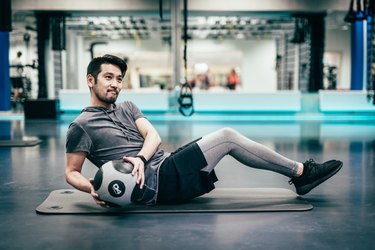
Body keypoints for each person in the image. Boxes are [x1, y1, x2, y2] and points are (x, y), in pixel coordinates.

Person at [65, 55, 343, 207]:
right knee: (226, 137)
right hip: (154, 185)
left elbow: (154, 137)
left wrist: (140, 158)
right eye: (108, 77)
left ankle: (301, 175)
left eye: (119, 79)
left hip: (165, 165)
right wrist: (95, 187)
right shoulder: (82, 126)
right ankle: (302, 174)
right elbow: (71, 172)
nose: (115, 84)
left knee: (224, 139)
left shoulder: (127, 106)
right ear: (91, 80)